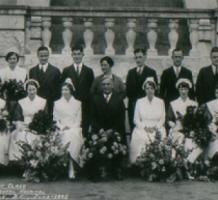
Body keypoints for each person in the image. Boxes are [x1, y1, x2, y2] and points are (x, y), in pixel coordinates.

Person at [90, 76, 126, 179]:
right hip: (99, 130)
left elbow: (121, 118)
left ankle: (117, 169)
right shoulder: (96, 99)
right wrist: (100, 129)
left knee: (118, 141)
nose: (106, 86)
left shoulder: (118, 99)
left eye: (108, 84)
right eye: (104, 84)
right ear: (101, 86)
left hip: (114, 129)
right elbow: (92, 117)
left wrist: (112, 130)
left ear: (113, 86)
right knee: (95, 143)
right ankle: (100, 169)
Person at [129, 77, 166, 164]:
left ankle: (157, 162)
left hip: (157, 127)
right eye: (147, 88)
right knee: (141, 137)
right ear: (144, 89)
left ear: (155, 89)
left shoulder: (160, 102)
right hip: (143, 127)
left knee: (159, 137)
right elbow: (136, 119)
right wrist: (144, 127)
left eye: (152, 88)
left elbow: (163, 118)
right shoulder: (139, 101)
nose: (149, 90)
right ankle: (140, 162)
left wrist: (156, 127)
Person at [9, 79, 46, 161]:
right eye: (29, 90)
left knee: (36, 137)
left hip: (37, 127)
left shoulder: (43, 101)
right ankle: (20, 161)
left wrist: (37, 126)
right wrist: (22, 126)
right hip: (24, 125)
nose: (32, 92)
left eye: (33, 89)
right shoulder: (21, 102)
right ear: (26, 90)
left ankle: (34, 162)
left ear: (37, 89)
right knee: (19, 135)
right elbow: (18, 117)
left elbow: (44, 117)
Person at [53, 78, 83, 180]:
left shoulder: (78, 103)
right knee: (64, 134)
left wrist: (71, 127)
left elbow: (79, 120)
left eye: (66, 89)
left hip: (74, 128)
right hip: (61, 128)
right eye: (62, 90)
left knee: (72, 135)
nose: (64, 92)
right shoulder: (56, 103)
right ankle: (64, 166)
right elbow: (55, 119)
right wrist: (62, 127)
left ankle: (71, 165)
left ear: (71, 90)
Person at [62, 45, 94, 136]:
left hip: (85, 106)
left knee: (84, 130)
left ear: (83, 55)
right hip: (70, 105)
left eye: (79, 54)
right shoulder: (66, 70)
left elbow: (91, 90)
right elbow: (63, 89)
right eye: (74, 54)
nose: (77, 56)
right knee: (71, 130)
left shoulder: (89, 71)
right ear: (72, 55)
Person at [167, 78, 202, 164]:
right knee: (177, 139)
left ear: (188, 90)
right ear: (178, 90)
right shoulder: (173, 103)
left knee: (194, 144)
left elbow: (197, 119)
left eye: (185, 89)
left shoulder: (194, 103)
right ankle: (176, 162)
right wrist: (173, 126)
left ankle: (189, 162)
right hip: (177, 128)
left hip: (191, 130)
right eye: (181, 89)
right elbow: (169, 119)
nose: (183, 92)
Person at [126, 48, 158, 131]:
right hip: (133, 105)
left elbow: (155, 91)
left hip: (146, 106)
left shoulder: (151, 72)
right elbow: (128, 91)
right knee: (135, 128)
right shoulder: (131, 72)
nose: (138, 60)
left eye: (140, 57)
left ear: (145, 57)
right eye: (136, 58)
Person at [29, 46, 61, 114]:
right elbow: (30, 89)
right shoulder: (32, 71)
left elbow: (58, 91)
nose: (43, 58)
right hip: (36, 104)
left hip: (50, 104)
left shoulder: (55, 71)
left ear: (48, 56)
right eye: (41, 56)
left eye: (46, 56)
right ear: (37, 56)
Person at [205, 85, 218, 160]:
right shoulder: (210, 104)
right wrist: (213, 130)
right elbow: (207, 120)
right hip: (213, 131)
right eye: (217, 92)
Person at [0, 98, 9, 166]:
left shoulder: (2, 102)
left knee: (2, 138)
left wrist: (3, 115)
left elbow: (5, 114)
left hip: (1, 125)